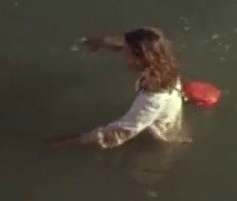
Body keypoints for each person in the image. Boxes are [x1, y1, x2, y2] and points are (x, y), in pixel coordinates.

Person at [49, 27, 187, 149]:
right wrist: (102, 42)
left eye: (127, 53)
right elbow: (127, 46)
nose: (124, 56)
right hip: (167, 115)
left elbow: (119, 132)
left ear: (140, 59)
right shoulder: (164, 62)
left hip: (159, 138)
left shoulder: (151, 100)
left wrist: (70, 141)